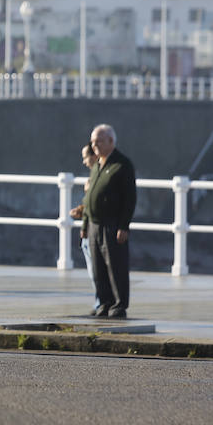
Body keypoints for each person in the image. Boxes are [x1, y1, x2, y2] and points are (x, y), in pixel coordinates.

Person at [81, 124, 136, 318]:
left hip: (112, 224)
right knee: (98, 268)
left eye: (99, 141)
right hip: (95, 224)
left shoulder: (121, 165)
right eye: (93, 142)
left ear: (111, 142)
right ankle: (104, 303)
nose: (94, 145)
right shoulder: (97, 165)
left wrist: (124, 226)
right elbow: (90, 197)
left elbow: (130, 199)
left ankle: (119, 305)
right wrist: (85, 223)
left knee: (116, 266)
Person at [70, 143, 98, 309]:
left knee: (96, 272)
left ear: (93, 156)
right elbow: (90, 203)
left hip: (94, 229)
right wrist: (80, 210)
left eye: (85, 157)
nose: (84, 162)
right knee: (93, 272)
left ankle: (101, 304)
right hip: (88, 229)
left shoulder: (98, 176)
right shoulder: (95, 175)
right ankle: (99, 303)